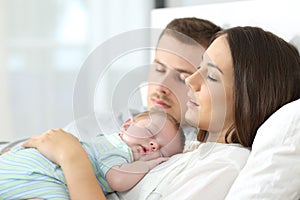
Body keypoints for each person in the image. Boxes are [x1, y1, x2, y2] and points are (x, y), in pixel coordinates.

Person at [23, 26, 300, 200]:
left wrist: (72, 157)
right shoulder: (188, 150)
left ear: (248, 99)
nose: (192, 81)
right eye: (199, 67)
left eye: (211, 76)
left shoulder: (224, 167)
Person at [0, 17, 221, 154]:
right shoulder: (112, 118)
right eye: (159, 69)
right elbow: (27, 145)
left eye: (182, 78)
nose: (161, 86)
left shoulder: (191, 151)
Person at [0, 109, 185, 199]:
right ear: (127, 125)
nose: (153, 145)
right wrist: (149, 164)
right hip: (44, 169)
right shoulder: (118, 149)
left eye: (162, 150)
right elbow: (118, 180)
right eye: (151, 133)